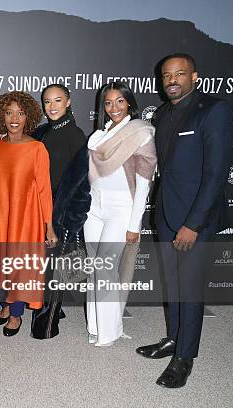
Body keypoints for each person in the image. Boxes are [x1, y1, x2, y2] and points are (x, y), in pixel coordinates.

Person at [136, 53, 233, 388]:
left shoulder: (215, 110)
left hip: (195, 218)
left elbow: (216, 174)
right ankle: (173, 340)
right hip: (165, 212)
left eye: (179, 74)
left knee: (190, 289)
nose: (172, 80)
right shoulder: (162, 113)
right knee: (173, 285)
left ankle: (184, 358)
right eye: (166, 75)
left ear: (195, 76)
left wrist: (193, 224)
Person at [0, 91, 57, 337]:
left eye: (21, 113)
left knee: (20, 267)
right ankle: (5, 305)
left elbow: (44, 190)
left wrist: (49, 225)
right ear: (1, 116)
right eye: (9, 112)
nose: (15, 118)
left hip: (26, 218)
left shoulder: (37, 149)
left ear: (28, 117)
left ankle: (16, 314)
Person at [84, 81, 157, 347]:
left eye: (120, 101)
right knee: (94, 268)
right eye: (108, 102)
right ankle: (96, 326)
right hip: (94, 208)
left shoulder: (139, 133)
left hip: (121, 207)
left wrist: (134, 222)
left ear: (129, 103)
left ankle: (110, 331)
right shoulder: (98, 135)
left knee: (106, 270)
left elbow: (144, 182)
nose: (114, 107)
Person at [31, 84, 90, 339]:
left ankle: (48, 323)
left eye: (57, 100)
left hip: (61, 215)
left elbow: (81, 186)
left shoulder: (76, 136)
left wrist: (68, 223)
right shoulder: (42, 132)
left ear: (68, 102)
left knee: (55, 270)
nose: (52, 106)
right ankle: (51, 311)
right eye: (47, 101)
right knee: (44, 268)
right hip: (40, 209)